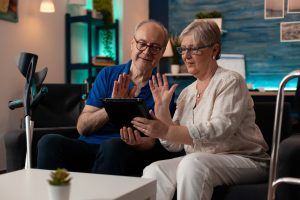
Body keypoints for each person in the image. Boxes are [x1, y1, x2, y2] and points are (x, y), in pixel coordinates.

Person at [129, 20, 270, 200]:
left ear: (214, 50)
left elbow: (221, 130)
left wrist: (167, 130)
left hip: (246, 159)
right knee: (154, 170)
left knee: (193, 164)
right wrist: (162, 112)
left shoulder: (231, 81)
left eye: (193, 49)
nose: (186, 56)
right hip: (201, 158)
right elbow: (175, 145)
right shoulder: (186, 93)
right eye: (183, 49)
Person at [36, 19, 183, 174]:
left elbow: (156, 143)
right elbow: (82, 128)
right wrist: (112, 105)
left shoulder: (161, 90)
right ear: (132, 44)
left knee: (113, 146)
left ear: (162, 52)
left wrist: (138, 143)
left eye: (155, 47)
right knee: (48, 142)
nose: (147, 51)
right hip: (88, 147)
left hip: (125, 152)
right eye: (142, 43)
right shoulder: (108, 75)